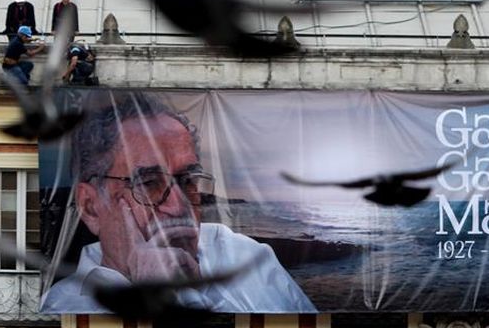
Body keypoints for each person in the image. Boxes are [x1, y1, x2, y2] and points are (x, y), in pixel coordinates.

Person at [41, 93, 316, 313]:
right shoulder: (65, 308)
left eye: (188, 181)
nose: (179, 207)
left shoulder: (246, 255)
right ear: (91, 207)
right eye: (147, 183)